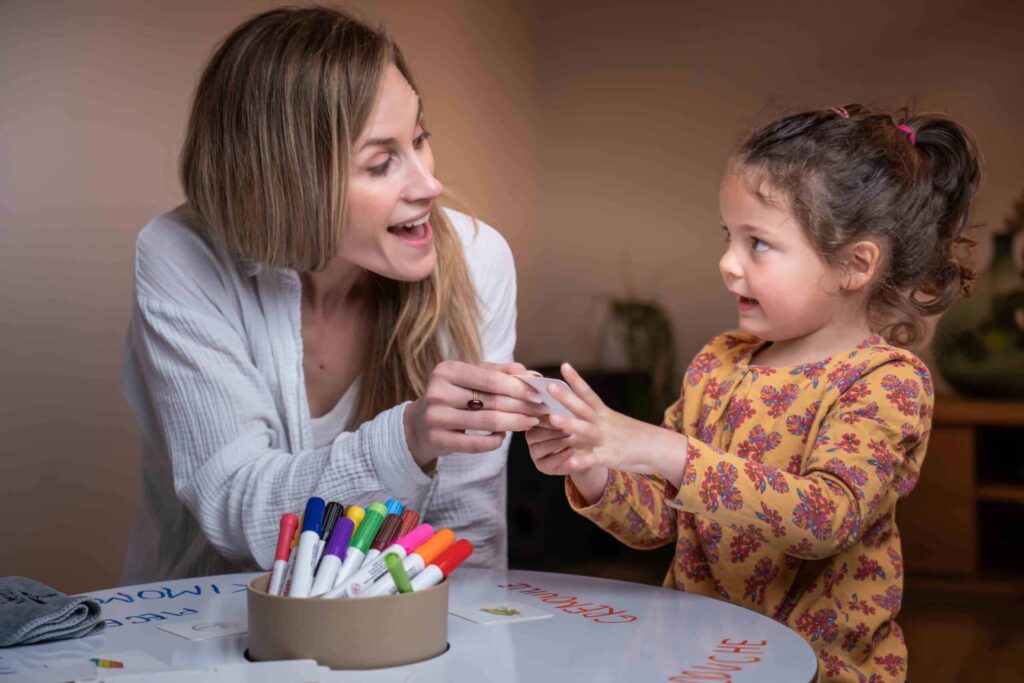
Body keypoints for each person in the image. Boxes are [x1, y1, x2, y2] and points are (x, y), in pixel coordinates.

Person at [526, 104, 980, 682]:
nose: (727, 264)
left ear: (854, 265)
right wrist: (593, 464)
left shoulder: (885, 381)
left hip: (823, 671)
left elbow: (826, 518)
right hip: (698, 661)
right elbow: (659, 522)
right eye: (728, 237)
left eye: (757, 243)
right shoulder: (720, 361)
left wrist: (657, 449)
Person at [121, 7, 544, 583]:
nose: (429, 184)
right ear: (289, 185)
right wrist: (410, 438)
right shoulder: (181, 255)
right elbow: (237, 507)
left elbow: (466, 534)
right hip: (202, 631)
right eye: (380, 163)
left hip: (406, 635)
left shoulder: (477, 259)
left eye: (420, 138)